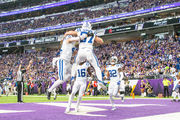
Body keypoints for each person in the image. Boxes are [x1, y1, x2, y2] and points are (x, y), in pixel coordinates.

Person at [47, 31, 91, 100]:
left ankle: (72, 89)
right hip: (62, 61)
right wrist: (84, 36)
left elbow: (76, 52)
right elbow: (75, 39)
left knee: (73, 75)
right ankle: (49, 90)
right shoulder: (67, 41)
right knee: (61, 79)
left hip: (67, 63)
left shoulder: (71, 46)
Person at [65, 21, 106, 90]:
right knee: (96, 67)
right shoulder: (93, 32)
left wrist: (67, 33)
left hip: (80, 51)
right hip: (89, 51)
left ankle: (72, 77)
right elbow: (101, 41)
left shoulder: (80, 30)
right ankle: (100, 80)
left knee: (75, 64)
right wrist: (96, 41)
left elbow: (72, 33)